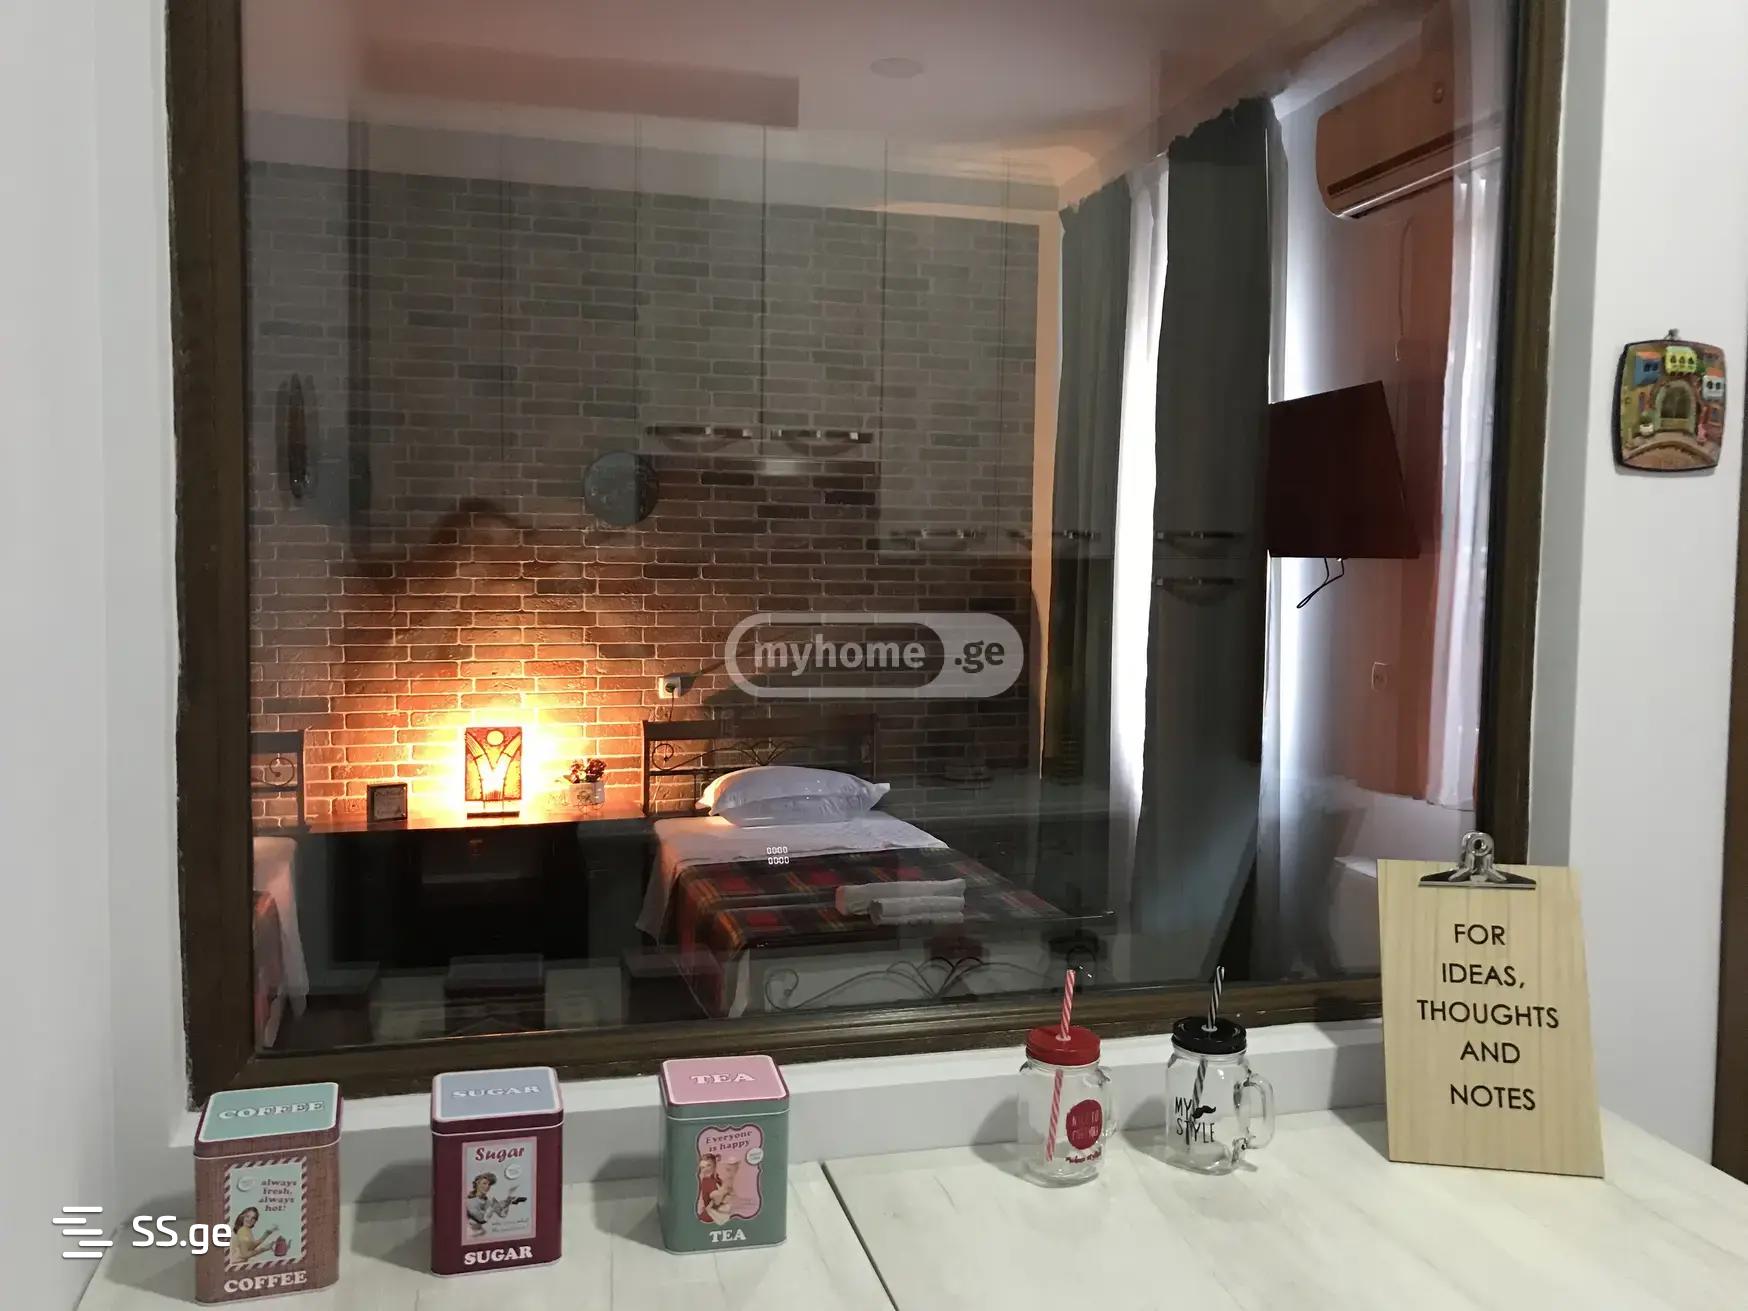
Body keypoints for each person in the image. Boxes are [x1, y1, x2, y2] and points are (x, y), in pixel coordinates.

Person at [465, 1172, 523, 1237]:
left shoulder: (490, 1200)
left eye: (489, 1184)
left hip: (484, 1233)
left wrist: (509, 1199)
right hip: (471, 1234)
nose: (487, 1186)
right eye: (484, 1183)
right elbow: (481, 1219)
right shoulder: (470, 1201)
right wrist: (493, 1207)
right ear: (477, 1183)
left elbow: (502, 1214)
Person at [695, 1153, 721, 1222]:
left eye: (708, 1165)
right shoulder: (707, 1182)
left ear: (714, 1166)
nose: (706, 1169)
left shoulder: (715, 1179)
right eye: (703, 1167)